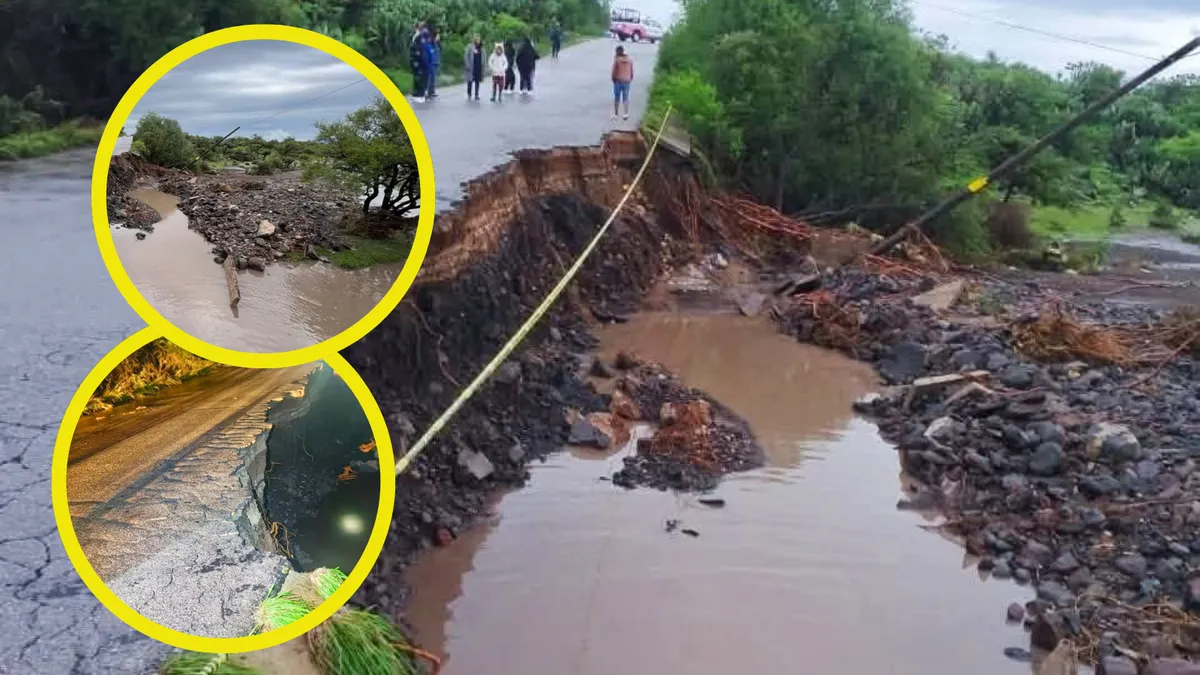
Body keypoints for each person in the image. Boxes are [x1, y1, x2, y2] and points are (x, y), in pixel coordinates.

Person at [611, 44, 634, 120]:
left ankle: (616, 114)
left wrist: (613, 79)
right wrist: (630, 79)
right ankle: (626, 114)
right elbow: (631, 71)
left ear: (617, 52)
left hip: (618, 81)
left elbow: (614, 71)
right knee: (625, 97)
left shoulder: (617, 60)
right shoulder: (630, 60)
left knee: (617, 98)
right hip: (627, 81)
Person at [408, 22, 428, 101]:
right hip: (417, 59)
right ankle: (418, 94)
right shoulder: (418, 36)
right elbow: (416, 48)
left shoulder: (419, 36)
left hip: (419, 59)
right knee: (418, 77)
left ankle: (418, 93)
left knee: (419, 77)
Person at [464, 35, 484, 101]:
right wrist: (467, 64)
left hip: (478, 66)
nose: (478, 40)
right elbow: (466, 55)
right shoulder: (470, 46)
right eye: (477, 39)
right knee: (470, 81)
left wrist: (483, 64)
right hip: (471, 66)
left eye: (479, 39)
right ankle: (469, 94)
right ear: (474, 40)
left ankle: (476, 95)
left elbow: (484, 56)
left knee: (477, 81)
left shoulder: (482, 47)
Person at [426, 31, 442, 99]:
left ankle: (432, 92)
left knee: (433, 79)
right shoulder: (431, 44)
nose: (439, 37)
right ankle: (429, 93)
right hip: (431, 63)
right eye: (438, 36)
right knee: (430, 79)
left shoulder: (436, 44)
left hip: (436, 62)